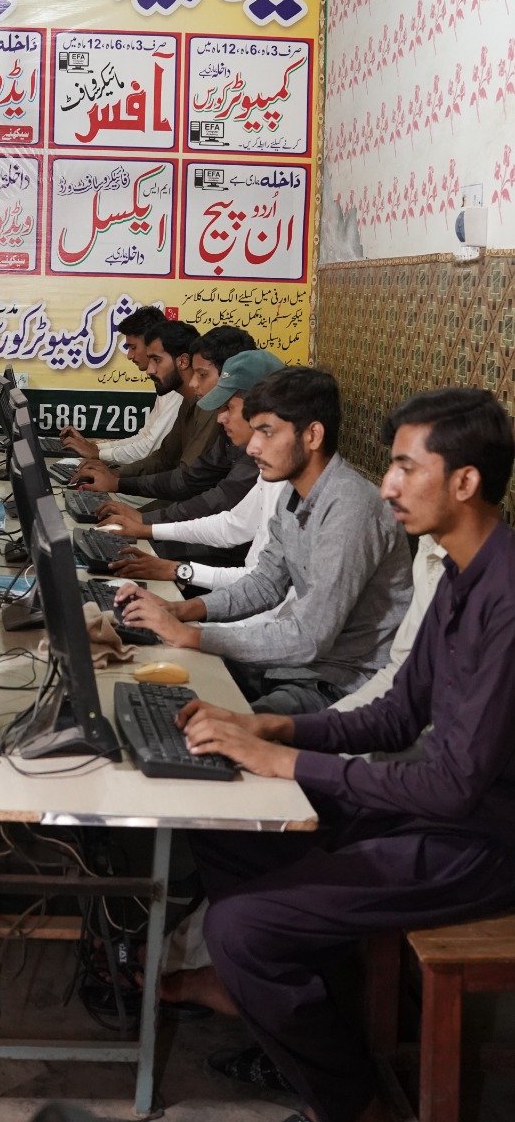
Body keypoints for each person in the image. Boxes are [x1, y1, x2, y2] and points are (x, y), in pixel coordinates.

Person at [171, 388, 515, 1122]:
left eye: (406, 468)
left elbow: (454, 786)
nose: (387, 486)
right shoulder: (457, 572)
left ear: (464, 481)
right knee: (221, 822)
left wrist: (291, 766)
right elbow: (398, 714)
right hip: (431, 807)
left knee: (238, 930)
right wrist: (276, 731)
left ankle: (353, 1105)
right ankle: (296, 1006)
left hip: (482, 842)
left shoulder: (507, 596)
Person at [118, 368, 412, 714]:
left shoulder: (350, 506)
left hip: (339, 687)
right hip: (293, 669)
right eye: (254, 430)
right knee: (148, 673)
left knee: (200, 727)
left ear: (312, 435)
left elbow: (309, 637)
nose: (254, 446)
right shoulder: (294, 491)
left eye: (267, 432)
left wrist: (195, 635)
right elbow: (264, 584)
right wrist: (180, 611)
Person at [106, 350, 286, 588]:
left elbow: (263, 588)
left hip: (234, 573)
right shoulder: (268, 468)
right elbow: (231, 524)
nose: (220, 418)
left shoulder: (313, 493)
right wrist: (149, 528)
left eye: (228, 408)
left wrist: (179, 572)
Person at [71, 319, 201, 494]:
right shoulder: (184, 400)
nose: (150, 370)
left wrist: (116, 482)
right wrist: (114, 474)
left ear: (183, 362)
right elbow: (162, 457)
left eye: (156, 360)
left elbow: (185, 480)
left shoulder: (202, 404)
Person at [58, 306, 181, 467]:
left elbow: (149, 449)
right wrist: (94, 448)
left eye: (133, 347)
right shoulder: (164, 382)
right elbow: (144, 437)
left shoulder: (176, 387)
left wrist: (98, 454)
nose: (129, 356)